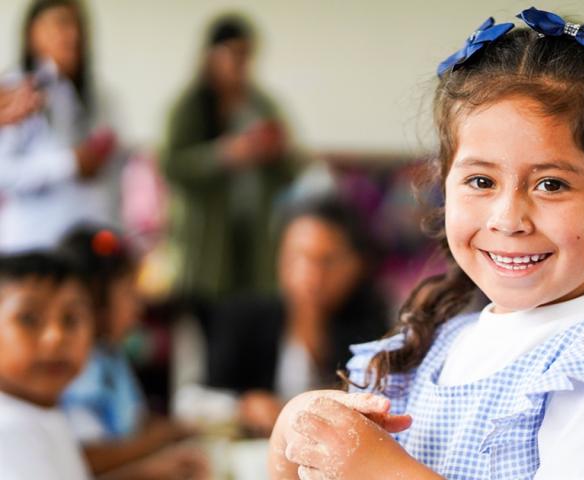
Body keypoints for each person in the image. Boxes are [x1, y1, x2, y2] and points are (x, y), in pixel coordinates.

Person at [267, 6, 584, 479]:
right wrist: (294, 429)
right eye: (481, 182)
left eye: (551, 184)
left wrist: (382, 472)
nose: (508, 219)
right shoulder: (433, 347)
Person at [175, 198, 389, 436]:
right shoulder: (244, 320)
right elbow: (188, 403)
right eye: (298, 257)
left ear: (355, 266)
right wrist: (243, 407)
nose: (311, 275)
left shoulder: (373, 334)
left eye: (326, 261)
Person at [162, 14, 295, 304]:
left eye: (246, 55)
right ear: (210, 56)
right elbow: (171, 166)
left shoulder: (262, 105)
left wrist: (276, 152)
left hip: (257, 241)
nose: (240, 64)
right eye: (233, 54)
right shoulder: (190, 107)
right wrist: (222, 155)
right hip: (206, 243)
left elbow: (291, 167)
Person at [58, 225, 208, 479]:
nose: (139, 307)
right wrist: (158, 443)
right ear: (95, 299)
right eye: (129, 293)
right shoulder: (71, 368)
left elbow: (133, 420)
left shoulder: (109, 354)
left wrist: (172, 429)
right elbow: (86, 458)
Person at [0, 0, 120, 253]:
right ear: (33, 33)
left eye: (79, 26)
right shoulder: (15, 94)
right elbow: (4, 173)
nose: (73, 35)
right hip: (33, 249)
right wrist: (70, 163)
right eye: (61, 24)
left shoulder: (99, 96)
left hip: (88, 248)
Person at [0, 252, 94, 479]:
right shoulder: (8, 431)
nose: (56, 337)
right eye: (29, 319)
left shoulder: (44, 410)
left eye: (71, 319)